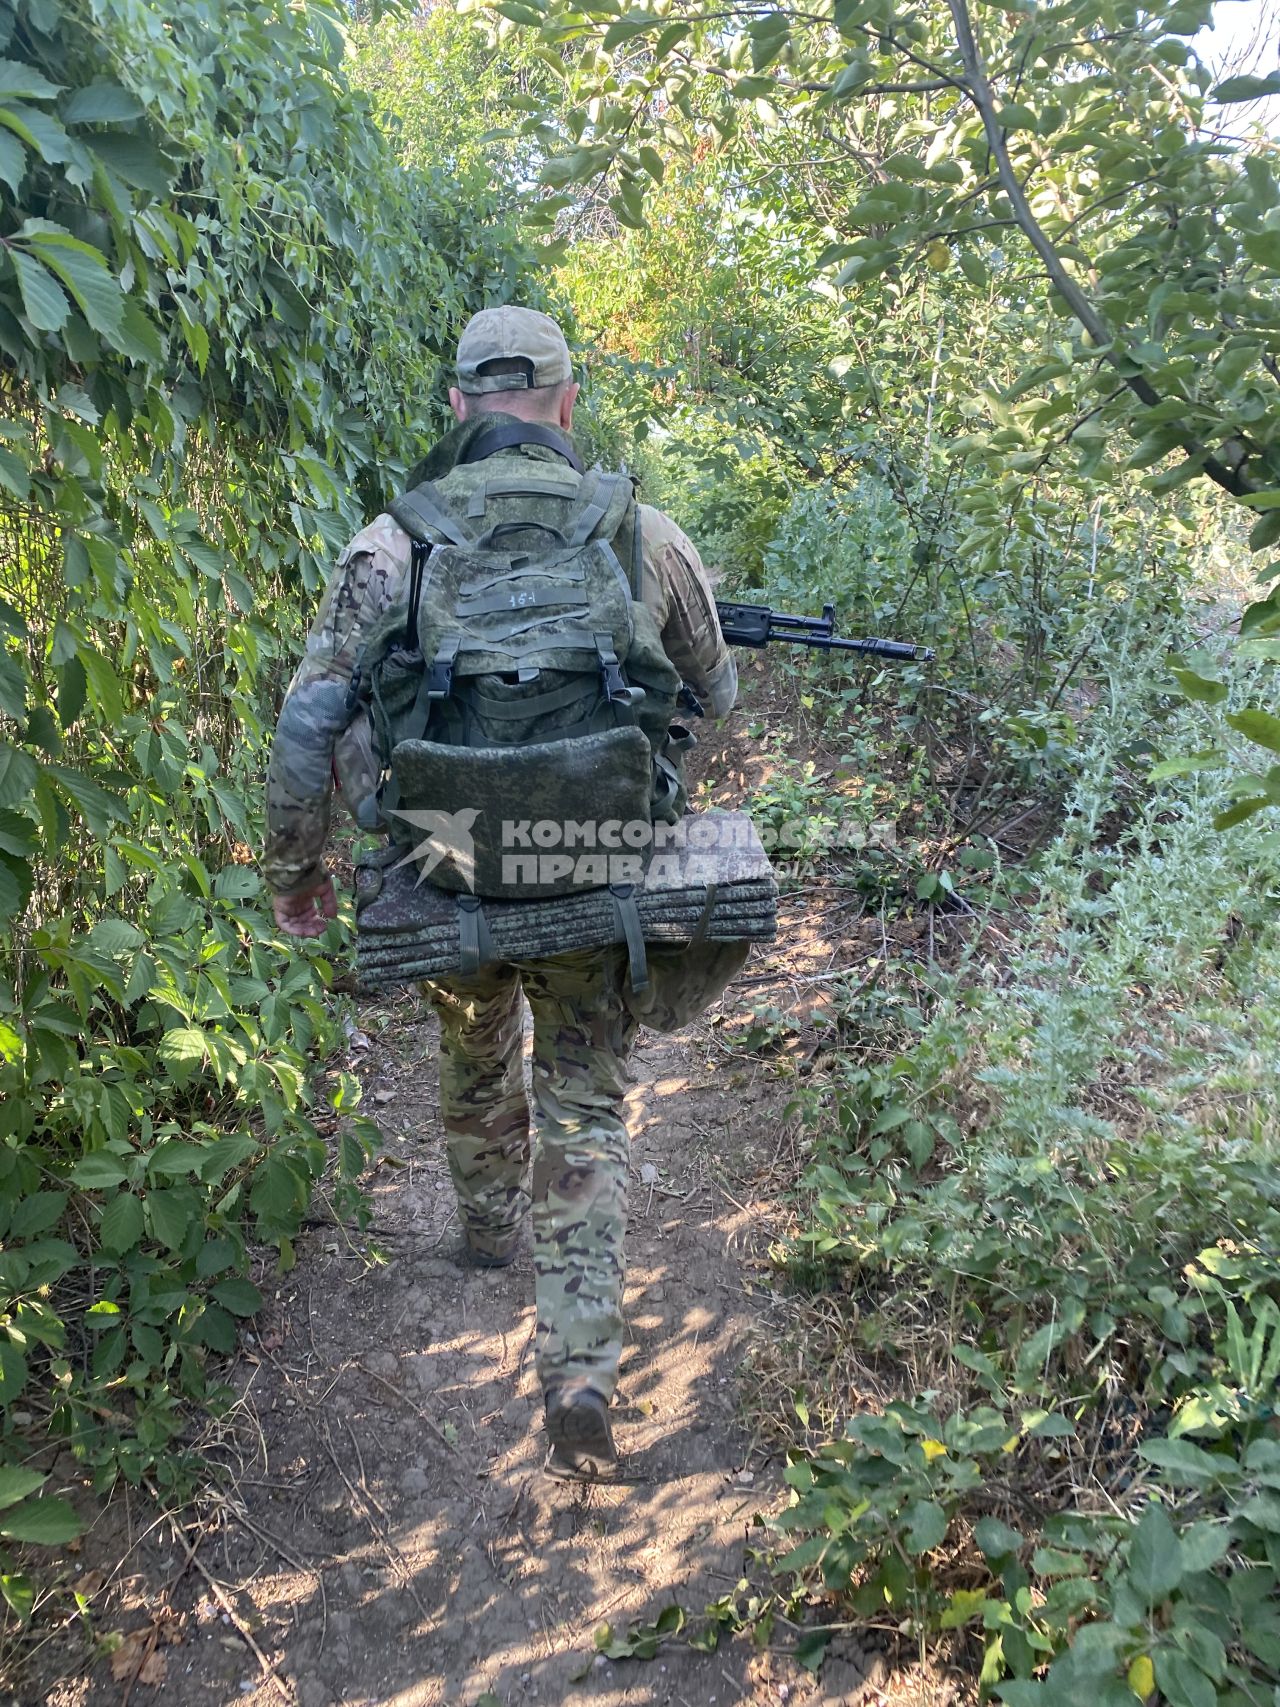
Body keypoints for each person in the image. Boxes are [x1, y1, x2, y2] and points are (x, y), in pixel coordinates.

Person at [262, 305, 737, 1479]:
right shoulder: (641, 529)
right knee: (584, 1098)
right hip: (590, 858)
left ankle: (483, 1230)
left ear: (458, 406)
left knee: (473, 1036)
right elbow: (714, 699)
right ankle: (578, 1366)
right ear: (567, 402)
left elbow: (310, 713)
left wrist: (299, 865)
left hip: (447, 846)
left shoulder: (394, 541)